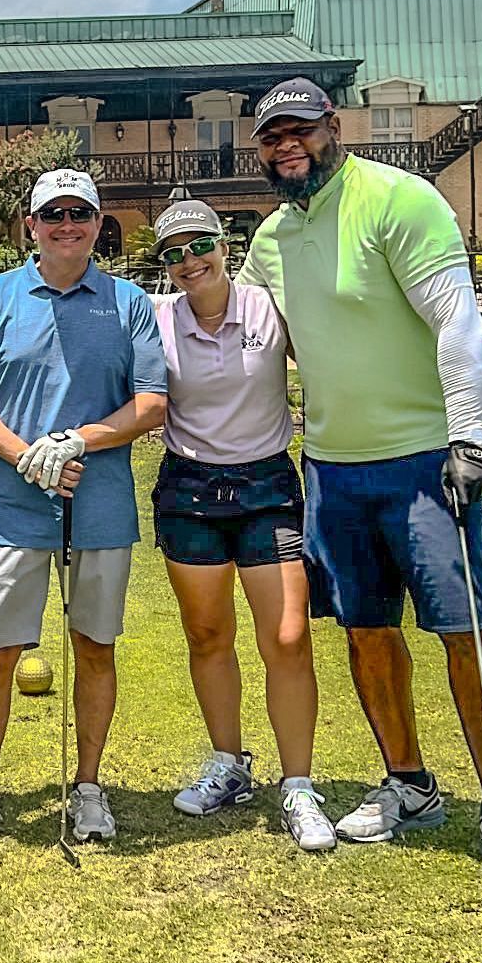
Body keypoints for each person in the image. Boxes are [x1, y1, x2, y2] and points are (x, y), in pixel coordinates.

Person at [239, 77, 482, 867]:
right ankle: (409, 783)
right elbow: (234, 338)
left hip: (427, 461)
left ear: (334, 127)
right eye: (273, 135)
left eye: (301, 130)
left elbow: (456, 316)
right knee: (368, 632)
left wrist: (469, 438)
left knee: (469, 637)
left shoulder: (399, 199)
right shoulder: (270, 240)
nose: (288, 145)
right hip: (333, 470)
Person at [0, 169, 167, 853]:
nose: (67, 224)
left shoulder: (128, 303)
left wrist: (80, 439)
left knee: (95, 647)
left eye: (81, 213)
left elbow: (152, 403)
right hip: (12, 508)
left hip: (99, 505)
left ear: (100, 225)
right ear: (31, 226)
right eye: (53, 214)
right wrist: (26, 455)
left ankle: (91, 787)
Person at [149, 198, 335, 851]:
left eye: (199, 245)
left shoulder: (268, 306)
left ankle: (300, 785)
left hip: (267, 486)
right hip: (190, 490)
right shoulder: (157, 320)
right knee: (206, 634)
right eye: (172, 253)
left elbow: (330, 354)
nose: (188, 261)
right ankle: (229, 765)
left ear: (224, 244)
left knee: (286, 637)